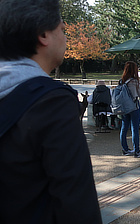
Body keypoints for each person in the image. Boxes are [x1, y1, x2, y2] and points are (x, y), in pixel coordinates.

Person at [0, 0, 102, 223]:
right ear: (43, 33)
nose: (65, 38)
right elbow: (77, 202)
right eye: (63, 30)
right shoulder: (52, 102)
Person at [119, 61, 140, 157]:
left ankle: (125, 149)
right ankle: (136, 150)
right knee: (134, 129)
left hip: (124, 107)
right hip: (134, 106)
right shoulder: (134, 81)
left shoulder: (122, 80)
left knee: (124, 128)